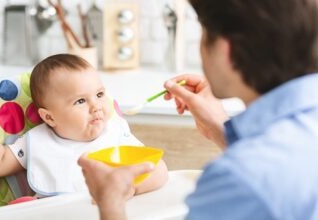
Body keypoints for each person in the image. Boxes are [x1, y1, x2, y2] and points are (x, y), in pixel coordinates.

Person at [78, 0, 318, 219]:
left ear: (228, 51)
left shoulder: (238, 178)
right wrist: (219, 128)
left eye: (203, 35)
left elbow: (257, 177)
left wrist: (110, 202)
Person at [0, 54, 168, 198]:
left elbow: (157, 169)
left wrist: (131, 189)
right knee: (19, 207)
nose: (96, 106)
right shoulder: (37, 141)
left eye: (99, 94)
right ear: (49, 118)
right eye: (80, 101)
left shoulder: (114, 132)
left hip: (112, 212)